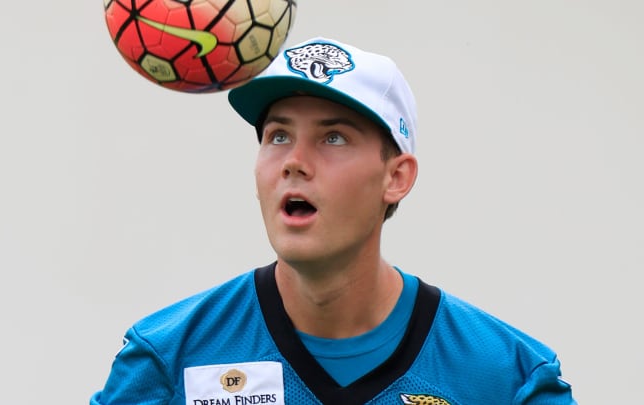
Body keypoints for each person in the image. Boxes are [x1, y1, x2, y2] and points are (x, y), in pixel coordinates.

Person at [90, 37, 576, 404]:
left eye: (334, 138)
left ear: (396, 177)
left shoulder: (509, 379)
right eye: (278, 135)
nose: (294, 161)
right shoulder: (168, 359)